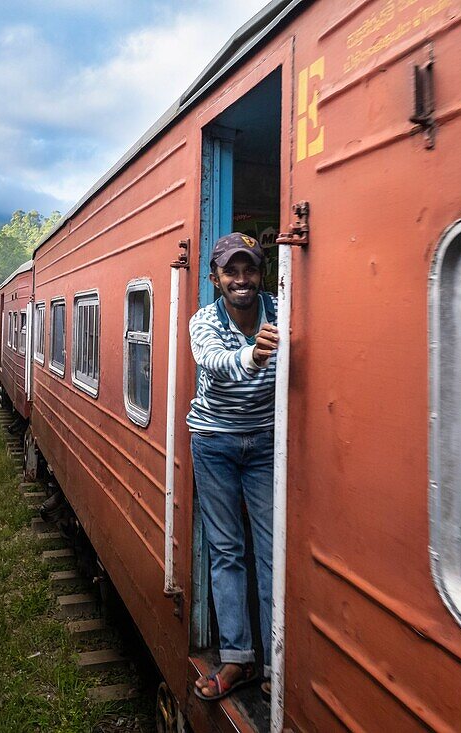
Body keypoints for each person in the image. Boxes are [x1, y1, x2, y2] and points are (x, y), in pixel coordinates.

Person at [187, 232, 280, 701]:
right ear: (215, 278)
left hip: (264, 444)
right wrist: (253, 354)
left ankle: (272, 664)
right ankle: (238, 659)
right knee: (227, 551)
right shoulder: (203, 321)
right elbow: (214, 361)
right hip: (215, 443)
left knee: (270, 552)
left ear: (261, 275)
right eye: (231, 271)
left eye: (249, 270)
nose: (241, 279)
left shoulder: (281, 310)